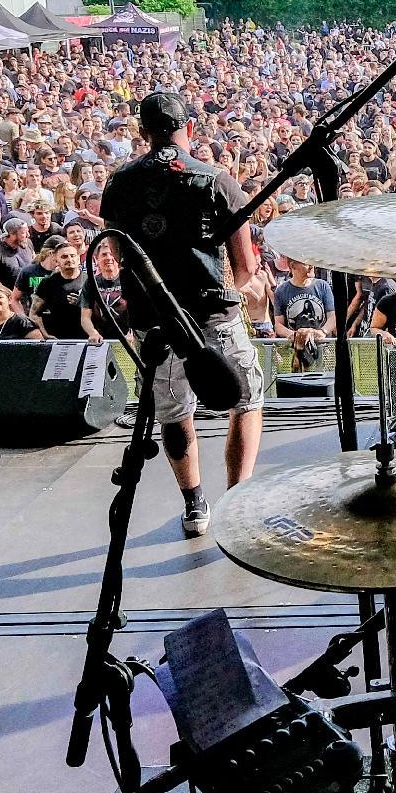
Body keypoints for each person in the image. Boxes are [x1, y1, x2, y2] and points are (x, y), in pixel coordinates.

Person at [101, 89, 264, 537]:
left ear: (143, 133)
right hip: (214, 319)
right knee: (246, 399)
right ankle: (238, 499)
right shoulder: (218, 181)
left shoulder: (119, 183)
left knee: (174, 412)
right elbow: (246, 265)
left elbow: (116, 251)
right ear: (188, 129)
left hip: (154, 325)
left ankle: (195, 505)